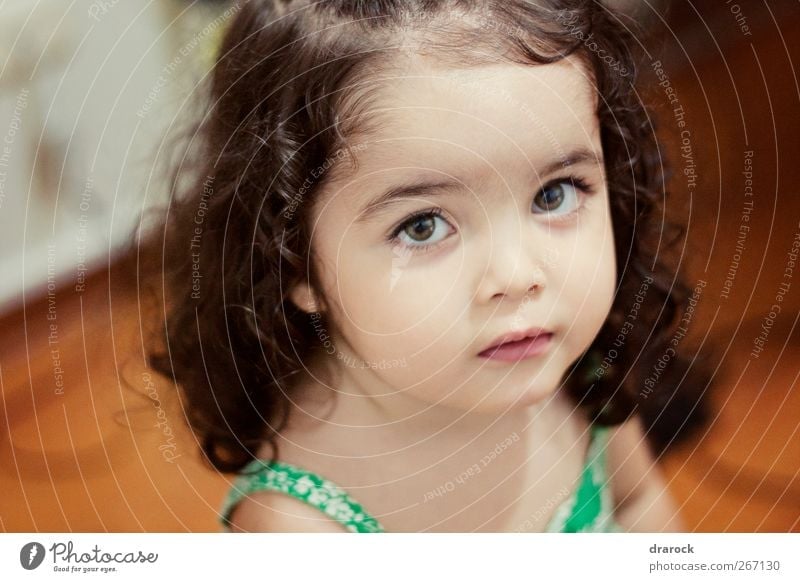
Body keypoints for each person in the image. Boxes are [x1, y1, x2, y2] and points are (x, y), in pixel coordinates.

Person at [144, 0, 711, 533]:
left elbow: (636, 504)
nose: (518, 276)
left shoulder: (585, 375)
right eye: (423, 226)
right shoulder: (300, 530)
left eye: (555, 194)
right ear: (292, 260)